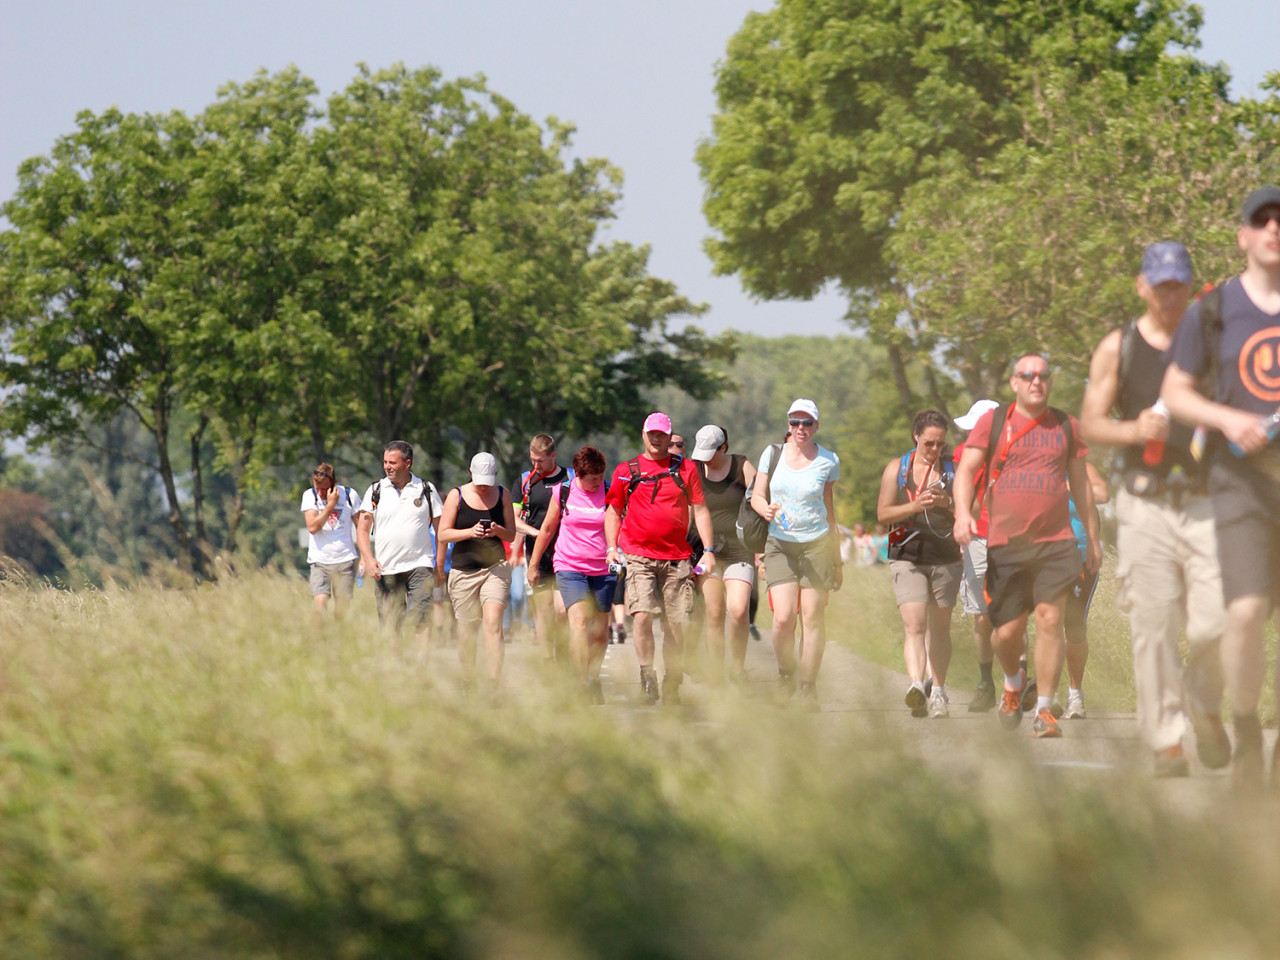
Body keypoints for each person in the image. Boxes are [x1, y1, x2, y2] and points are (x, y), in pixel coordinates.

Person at [1162, 186, 1280, 788]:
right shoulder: (1212, 310)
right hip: (1238, 481)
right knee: (1246, 613)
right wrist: (1231, 419)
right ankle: (1246, 729)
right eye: (1263, 221)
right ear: (1243, 236)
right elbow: (1177, 392)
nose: (1274, 229)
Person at [952, 354, 1101, 739]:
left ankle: (1045, 710)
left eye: (1044, 376)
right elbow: (966, 471)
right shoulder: (994, 422)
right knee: (1006, 633)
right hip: (1007, 544)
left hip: (1056, 543)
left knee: (1052, 620)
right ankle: (1013, 682)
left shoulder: (1066, 425)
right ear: (1014, 383)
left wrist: (1094, 538)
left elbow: (1082, 486)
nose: (1037, 381)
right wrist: (961, 515)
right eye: (1028, 375)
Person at [604, 412, 714, 705]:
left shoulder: (687, 469)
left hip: (677, 557)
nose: (656, 439)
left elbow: (700, 510)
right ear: (643, 434)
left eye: (662, 434)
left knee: (676, 624)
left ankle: (673, 680)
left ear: (669, 436)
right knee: (641, 616)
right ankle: (647, 674)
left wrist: (710, 550)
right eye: (652, 433)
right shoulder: (626, 470)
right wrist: (612, 548)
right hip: (638, 554)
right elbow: (614, 511)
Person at [750, 399, 843, 709]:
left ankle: (807, 685)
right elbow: (757, 495)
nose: (800, 428)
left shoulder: (828, 460)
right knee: (784, 617)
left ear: (817, 426)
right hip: (779, 543)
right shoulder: (772, 453)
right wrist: (765, 509)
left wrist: (837, 559)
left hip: (817, 544)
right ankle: (786, 675)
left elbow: (829, 510)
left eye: (807, 423)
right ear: (788, 425)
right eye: (795, 422)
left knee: (813, 618)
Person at [877, 411, 962, 718]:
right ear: (916, 436)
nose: (935, 450)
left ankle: (937, 690)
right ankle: (916, 685)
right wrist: (915, 505)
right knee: (914, 624)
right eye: (929, 443)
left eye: (940, 443)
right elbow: (883, 513)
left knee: (940, 628)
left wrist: (947, 503)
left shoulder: (955, 468)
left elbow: (972, 508)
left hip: (946, 556)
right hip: (906, 554)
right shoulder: (897, 469)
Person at [527, 445, 617, 703]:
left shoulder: (610, 491)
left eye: (600, 477)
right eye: (592, 479)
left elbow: (620, 524)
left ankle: (593, 676)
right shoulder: (563, 491)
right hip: (570, 566)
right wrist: (533, 564)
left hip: (602, 568)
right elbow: (546, 530)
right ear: (578, 474)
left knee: (600, 630)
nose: (596, 483)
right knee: (578, 622)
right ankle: (582, 682)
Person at [437, 452, 516, 697]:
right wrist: (470, 532)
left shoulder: (502, 494)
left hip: (495, 567)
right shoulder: (456, 496)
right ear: (470, 474)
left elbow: (511, 534)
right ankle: (468, 680)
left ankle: (493, 685)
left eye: (488, 482)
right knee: (467, 629)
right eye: (480, 481)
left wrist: (497, 530)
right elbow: (443, 534)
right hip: (463, 570)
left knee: (493, 623)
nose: (484, 487)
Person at [356, 441, 444, 646]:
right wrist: (368, 559)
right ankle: (395, 668)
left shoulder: (426, 489)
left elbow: (441, 531)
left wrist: (439, 564)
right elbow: (362, 529)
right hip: (386, 567)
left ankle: (420, 666)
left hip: (419, 564)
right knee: (390, 623)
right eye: (385, 462)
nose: (387, 466)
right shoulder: (376, 490)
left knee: (421, 621)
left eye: (392, 462)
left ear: (407, 463)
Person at [689, 424, 758, 684]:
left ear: (723, 448)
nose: (705, 459)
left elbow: (761, 497)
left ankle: (738, 668)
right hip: (705, 551)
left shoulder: (742, 466)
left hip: (738, 548)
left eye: (711, 453)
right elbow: (687, 509)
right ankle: (717, 673)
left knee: (739, 610)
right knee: (714, 612)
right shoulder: (695, 469)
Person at [951, 399, 1001, 712]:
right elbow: (964, 491)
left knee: (1011, 614)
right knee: (983, 619)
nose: (971, 436)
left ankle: (1019, 678)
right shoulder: (962, 454)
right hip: (978, 536)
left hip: (1011, 537)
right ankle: (986, 682)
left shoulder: (1016, 451)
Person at [511, 435, 573, 664]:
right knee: (544, 611)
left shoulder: (569, 478)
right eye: (533, 460)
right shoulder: (525, 481)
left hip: (567, 552)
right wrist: (535, 533)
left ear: (553, 456)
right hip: (537, 553)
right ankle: (548, 661)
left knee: (562, 610)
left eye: (541, 461)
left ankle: (564, 655)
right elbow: (513, 519)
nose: (536, 466)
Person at [301, 463, 362, 625]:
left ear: (334, 483)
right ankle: (316, 643)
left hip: (345, 559)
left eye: (324, 489)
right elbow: (313, 527)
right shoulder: (309, 496)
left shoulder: (350, 495)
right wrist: (330, 506)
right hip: (320, 561)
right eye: (317, 488)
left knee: (341, 610)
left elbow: (361, 527)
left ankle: (338, 642)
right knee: (319, 608)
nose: (320, 493)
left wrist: (364, 556)